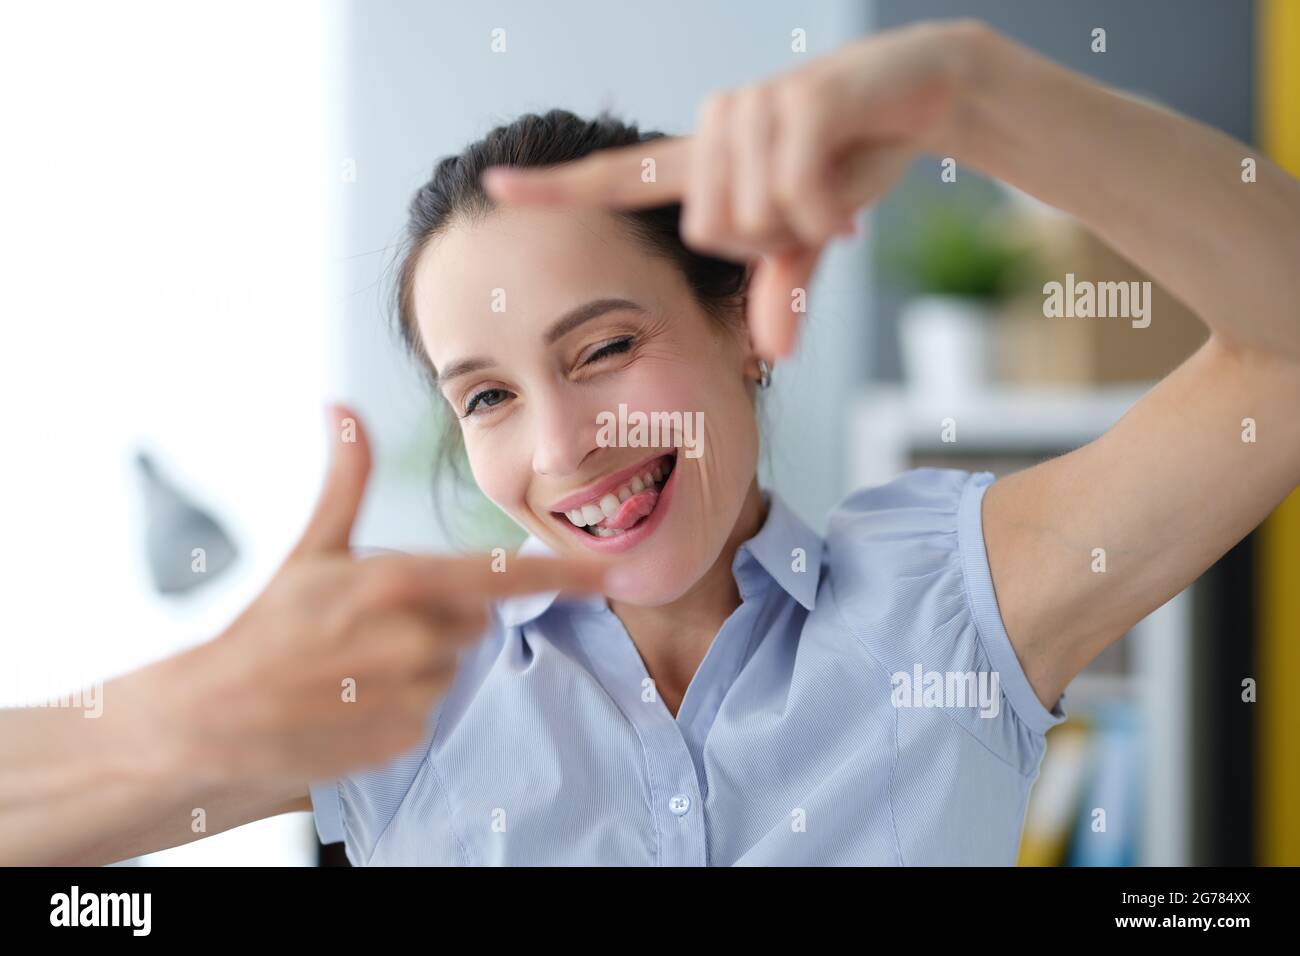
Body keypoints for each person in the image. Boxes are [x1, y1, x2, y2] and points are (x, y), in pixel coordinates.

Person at [9, 18, 1300, 865]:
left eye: (605, 348)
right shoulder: (402, 689)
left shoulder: (947, 604)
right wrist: (190, 716)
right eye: (490, 398)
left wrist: (970, 88)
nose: (565, 445)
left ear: (740, 315)